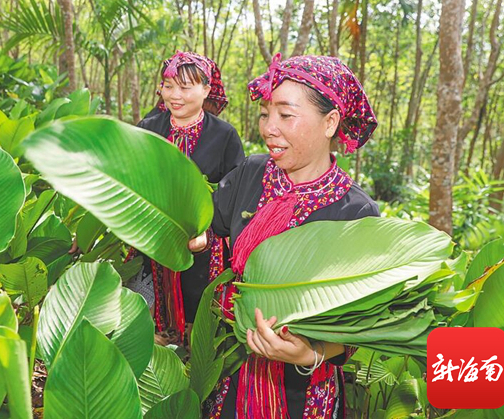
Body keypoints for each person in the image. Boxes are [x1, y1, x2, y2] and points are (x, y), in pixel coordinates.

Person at [191, 54, 379, 419]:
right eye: (265, 114)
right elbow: (211, 226)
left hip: (302, 392)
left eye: (285, 115)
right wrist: (199, 238)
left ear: (330, 122)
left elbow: (359, 324)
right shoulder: (250, 173)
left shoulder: (355, 213)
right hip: (231, 370)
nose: (269, 128)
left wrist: (310, 353)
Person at [128, 51, 245, 344]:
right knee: (144, 320)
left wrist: (205, 230)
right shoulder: (148, 128)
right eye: (168, 86)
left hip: (203, 245)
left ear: (206, 89)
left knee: (198, 325)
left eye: (185, 87)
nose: (174, 95)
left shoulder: (224, 136)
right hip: (152, 241)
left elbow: (234, 193)